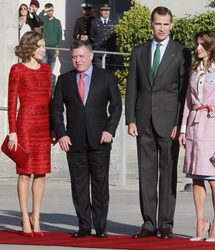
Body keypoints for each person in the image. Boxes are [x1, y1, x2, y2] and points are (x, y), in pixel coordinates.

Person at [125, 6, 191, 238]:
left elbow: (183, 92)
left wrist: (179, 122)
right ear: (151, 24)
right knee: (146, 174)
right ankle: (149, 223)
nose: (161, 28)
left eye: (165, 24)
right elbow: (132, 86)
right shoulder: (139, 51)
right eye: (157, 23)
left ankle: (165, 224)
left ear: (172, 25)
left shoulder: (181, 52)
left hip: (168, 123)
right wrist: (130, 118)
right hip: (143, 121)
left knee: (168, 173)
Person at [52, 40, 122, 238]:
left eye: (81, 56)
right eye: (74, 57)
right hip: (74, 141)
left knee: (100, 185)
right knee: (79, 186)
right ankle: (84, 226)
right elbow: (56, 109)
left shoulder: (106, 77)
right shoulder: (64, 80)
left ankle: (101, 227)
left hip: (100, 140)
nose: (78, 60)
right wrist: (61, 133)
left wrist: (110, 130)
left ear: (91, 56)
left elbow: (116, 106)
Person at [179, 30, 215, 242]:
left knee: (213, 178)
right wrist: (183, 128)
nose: (198, 48)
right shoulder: (194, 71)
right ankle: (201, 223)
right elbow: (187, 102)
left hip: (213, 129)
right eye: (197, 44)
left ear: (212, 46)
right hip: (194, 127)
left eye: (202, 45)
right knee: (196, 178)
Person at [7, 31, 53, 237]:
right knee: (25, 173)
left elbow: (51, 100)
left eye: (44, 46)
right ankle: (25, 217)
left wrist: (53, 128)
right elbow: (11, 104)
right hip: (24, 125)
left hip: (44, 125)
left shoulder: (46, 69)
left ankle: (37, 217)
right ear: (30, 47)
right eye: (41, 46)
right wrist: (13, 132)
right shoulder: (17, 69)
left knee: (41, 173)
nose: (44, 49)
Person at [90, 4, 117, 69]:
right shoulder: (94, 22)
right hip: (98, 52)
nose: (106, 12)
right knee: (99, 72)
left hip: (110, 52)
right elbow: (92, 37)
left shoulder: (114, 22)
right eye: (104, 10)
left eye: (108, 10)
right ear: (100, 11)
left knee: (109, 73)